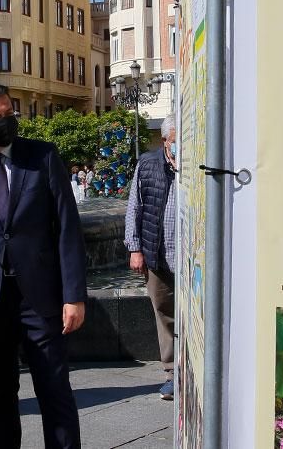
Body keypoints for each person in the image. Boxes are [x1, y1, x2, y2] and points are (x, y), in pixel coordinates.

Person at [0, 82, 88, 449]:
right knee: (0, 396)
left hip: (41, 299)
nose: (6, 122)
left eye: (10, 113)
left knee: (55, 392)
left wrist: (74, 295)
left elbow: (67, 229)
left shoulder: (43, 157)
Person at [124, 114, 178, 401]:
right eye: (175, 142)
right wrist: (134, 247)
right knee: (164, 313)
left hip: (191, 259)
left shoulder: (196, 165)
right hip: (157, 253)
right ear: (164, 141)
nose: (180, 146)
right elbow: (134, 205)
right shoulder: (147, 164)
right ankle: (171, 372)